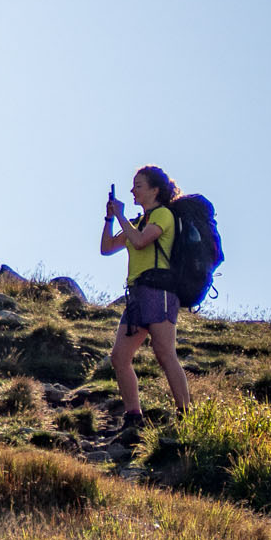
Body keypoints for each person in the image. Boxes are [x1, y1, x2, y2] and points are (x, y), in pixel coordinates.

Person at [100, 165, 192, 437]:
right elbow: (106, 249)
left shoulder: (163, 215)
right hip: (138, 293)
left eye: (138, 185)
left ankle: (186, 416)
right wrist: (109, 219)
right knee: (119, 356)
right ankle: (133, 417)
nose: (132, 190)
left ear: (155, 190)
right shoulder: (138, 222)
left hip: (159, 290)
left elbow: (140, 242)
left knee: (165, 354)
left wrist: (121, 216)